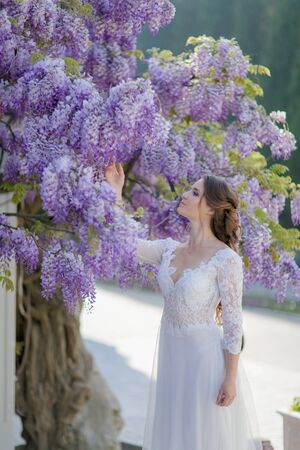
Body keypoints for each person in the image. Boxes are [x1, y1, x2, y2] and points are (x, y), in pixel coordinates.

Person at [105, 161, 263, 450]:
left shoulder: (226, 260)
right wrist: (115, 194)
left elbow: (232, 324)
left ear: (211, 208)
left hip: (205, 365)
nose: (185, 195)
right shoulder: (168, 249)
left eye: (194, 192)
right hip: (172, 359)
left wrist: (230, 378)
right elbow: (126, 241)